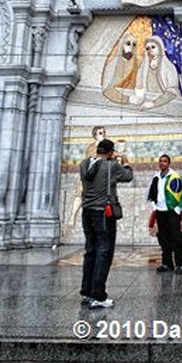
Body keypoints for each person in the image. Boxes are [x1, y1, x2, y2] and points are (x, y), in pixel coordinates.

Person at [79, 129, 133, 309]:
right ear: (110, 152)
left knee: (90, 251)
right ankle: (98, 295)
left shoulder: (84, 164)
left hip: (87, 212)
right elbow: (128, 176)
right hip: (103, 213)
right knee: (104, 252)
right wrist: (125, 163)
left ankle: (86, 292)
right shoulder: (112, 166)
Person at [147, 154, 182, 275]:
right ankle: (167, 263)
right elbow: (152, 193)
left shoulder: (175, 177)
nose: (162, 163)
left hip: (172, 211)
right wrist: (154, 207)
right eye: (160, 161)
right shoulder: (156, 177)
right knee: (163, 238)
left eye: (164, 161)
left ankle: (180, 263)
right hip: (160, 211)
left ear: (169, 163)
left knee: (176, 238)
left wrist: (178, 209)